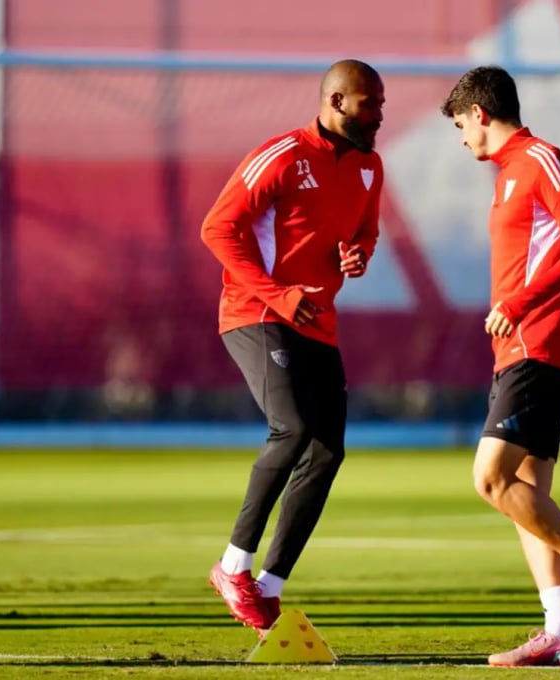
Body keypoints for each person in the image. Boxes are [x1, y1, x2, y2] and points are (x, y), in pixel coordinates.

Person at [440, 65, 560, 667]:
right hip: (520, 348)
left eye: (460, 126)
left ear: (479, 113)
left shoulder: (542, 159)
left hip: (541, 346)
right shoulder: (506, 174)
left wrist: (520, 304)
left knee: (490, 479)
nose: (462, 138)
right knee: (526, 495)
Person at [200, 59, 384, 635]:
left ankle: (270, 586)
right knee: (294, 428)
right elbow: (216, 228)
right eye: (369, 104)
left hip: (316, 321)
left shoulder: (371, 166)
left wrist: (357, 256)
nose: (378, 114)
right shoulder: (281, 155)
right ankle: (233, 567)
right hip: (256, 312)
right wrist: (276, 293)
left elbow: (366, 232)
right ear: (336, 101)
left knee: (328, 450)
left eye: (381, 104)